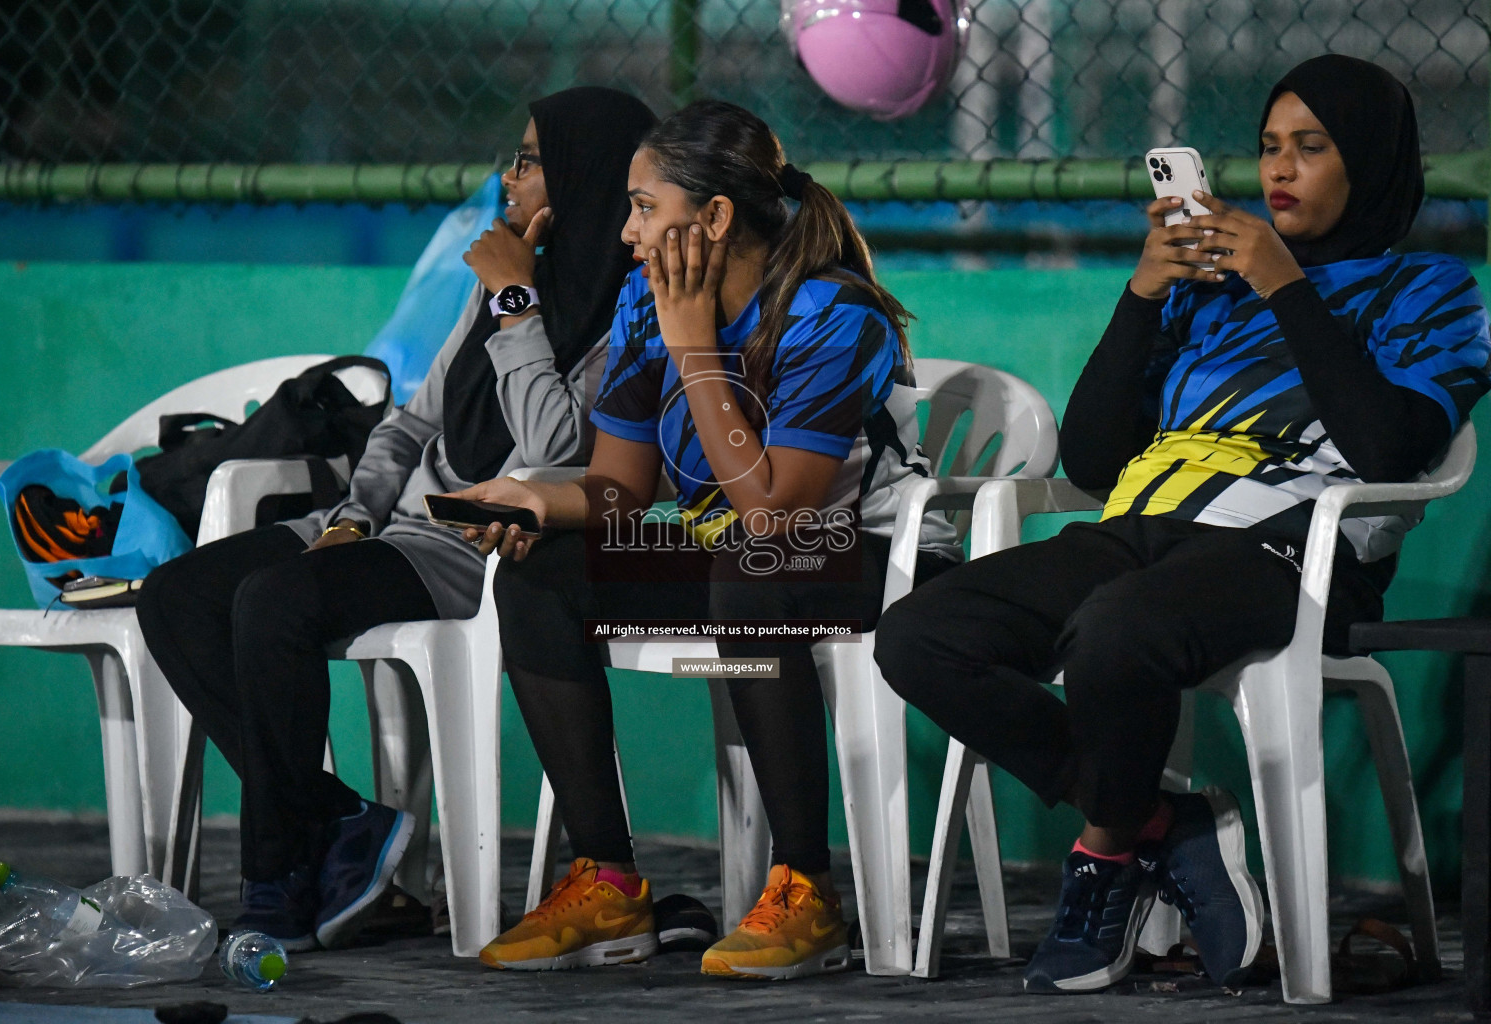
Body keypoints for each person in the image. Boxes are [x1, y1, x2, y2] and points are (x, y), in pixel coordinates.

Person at [876, 54, 1491, 995]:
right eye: (1269, 148)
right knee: (920, 634)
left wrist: (1287, 285)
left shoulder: (1429, 291)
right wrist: (1143, 294)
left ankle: (1105, 859)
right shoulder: (1210, 287)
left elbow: (1389, 447)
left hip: (1290, 552)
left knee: (1117, 630)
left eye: (1312, 148)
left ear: (1368, 161)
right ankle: (1165, 823)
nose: (1280, 169)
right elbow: (1089, 461)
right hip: (1141, 528)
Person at [135, 87, 657, 952]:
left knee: (274, 604)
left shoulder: (626, 314)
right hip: (390, 526)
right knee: (176, 597)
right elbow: (412, 422)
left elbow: (551, 448)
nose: (509, 176)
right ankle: (341, 824)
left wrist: (516, 306)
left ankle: (275, 880)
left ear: (581, 178)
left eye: (529, 161)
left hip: (471, 546)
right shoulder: (503, 279)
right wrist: (351, 513)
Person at [451, 99, 961, 979]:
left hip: (881, 557)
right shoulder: (651, 310)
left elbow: (774, 515)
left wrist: (696, 350)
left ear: (716, 217)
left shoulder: (834, 316)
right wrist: (533, 503)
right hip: (741, 549)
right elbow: (621, 489)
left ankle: (808, 892)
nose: (627, 233)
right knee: (541, 579)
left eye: (646, 207)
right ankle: (607, 880)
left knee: (749, 571)